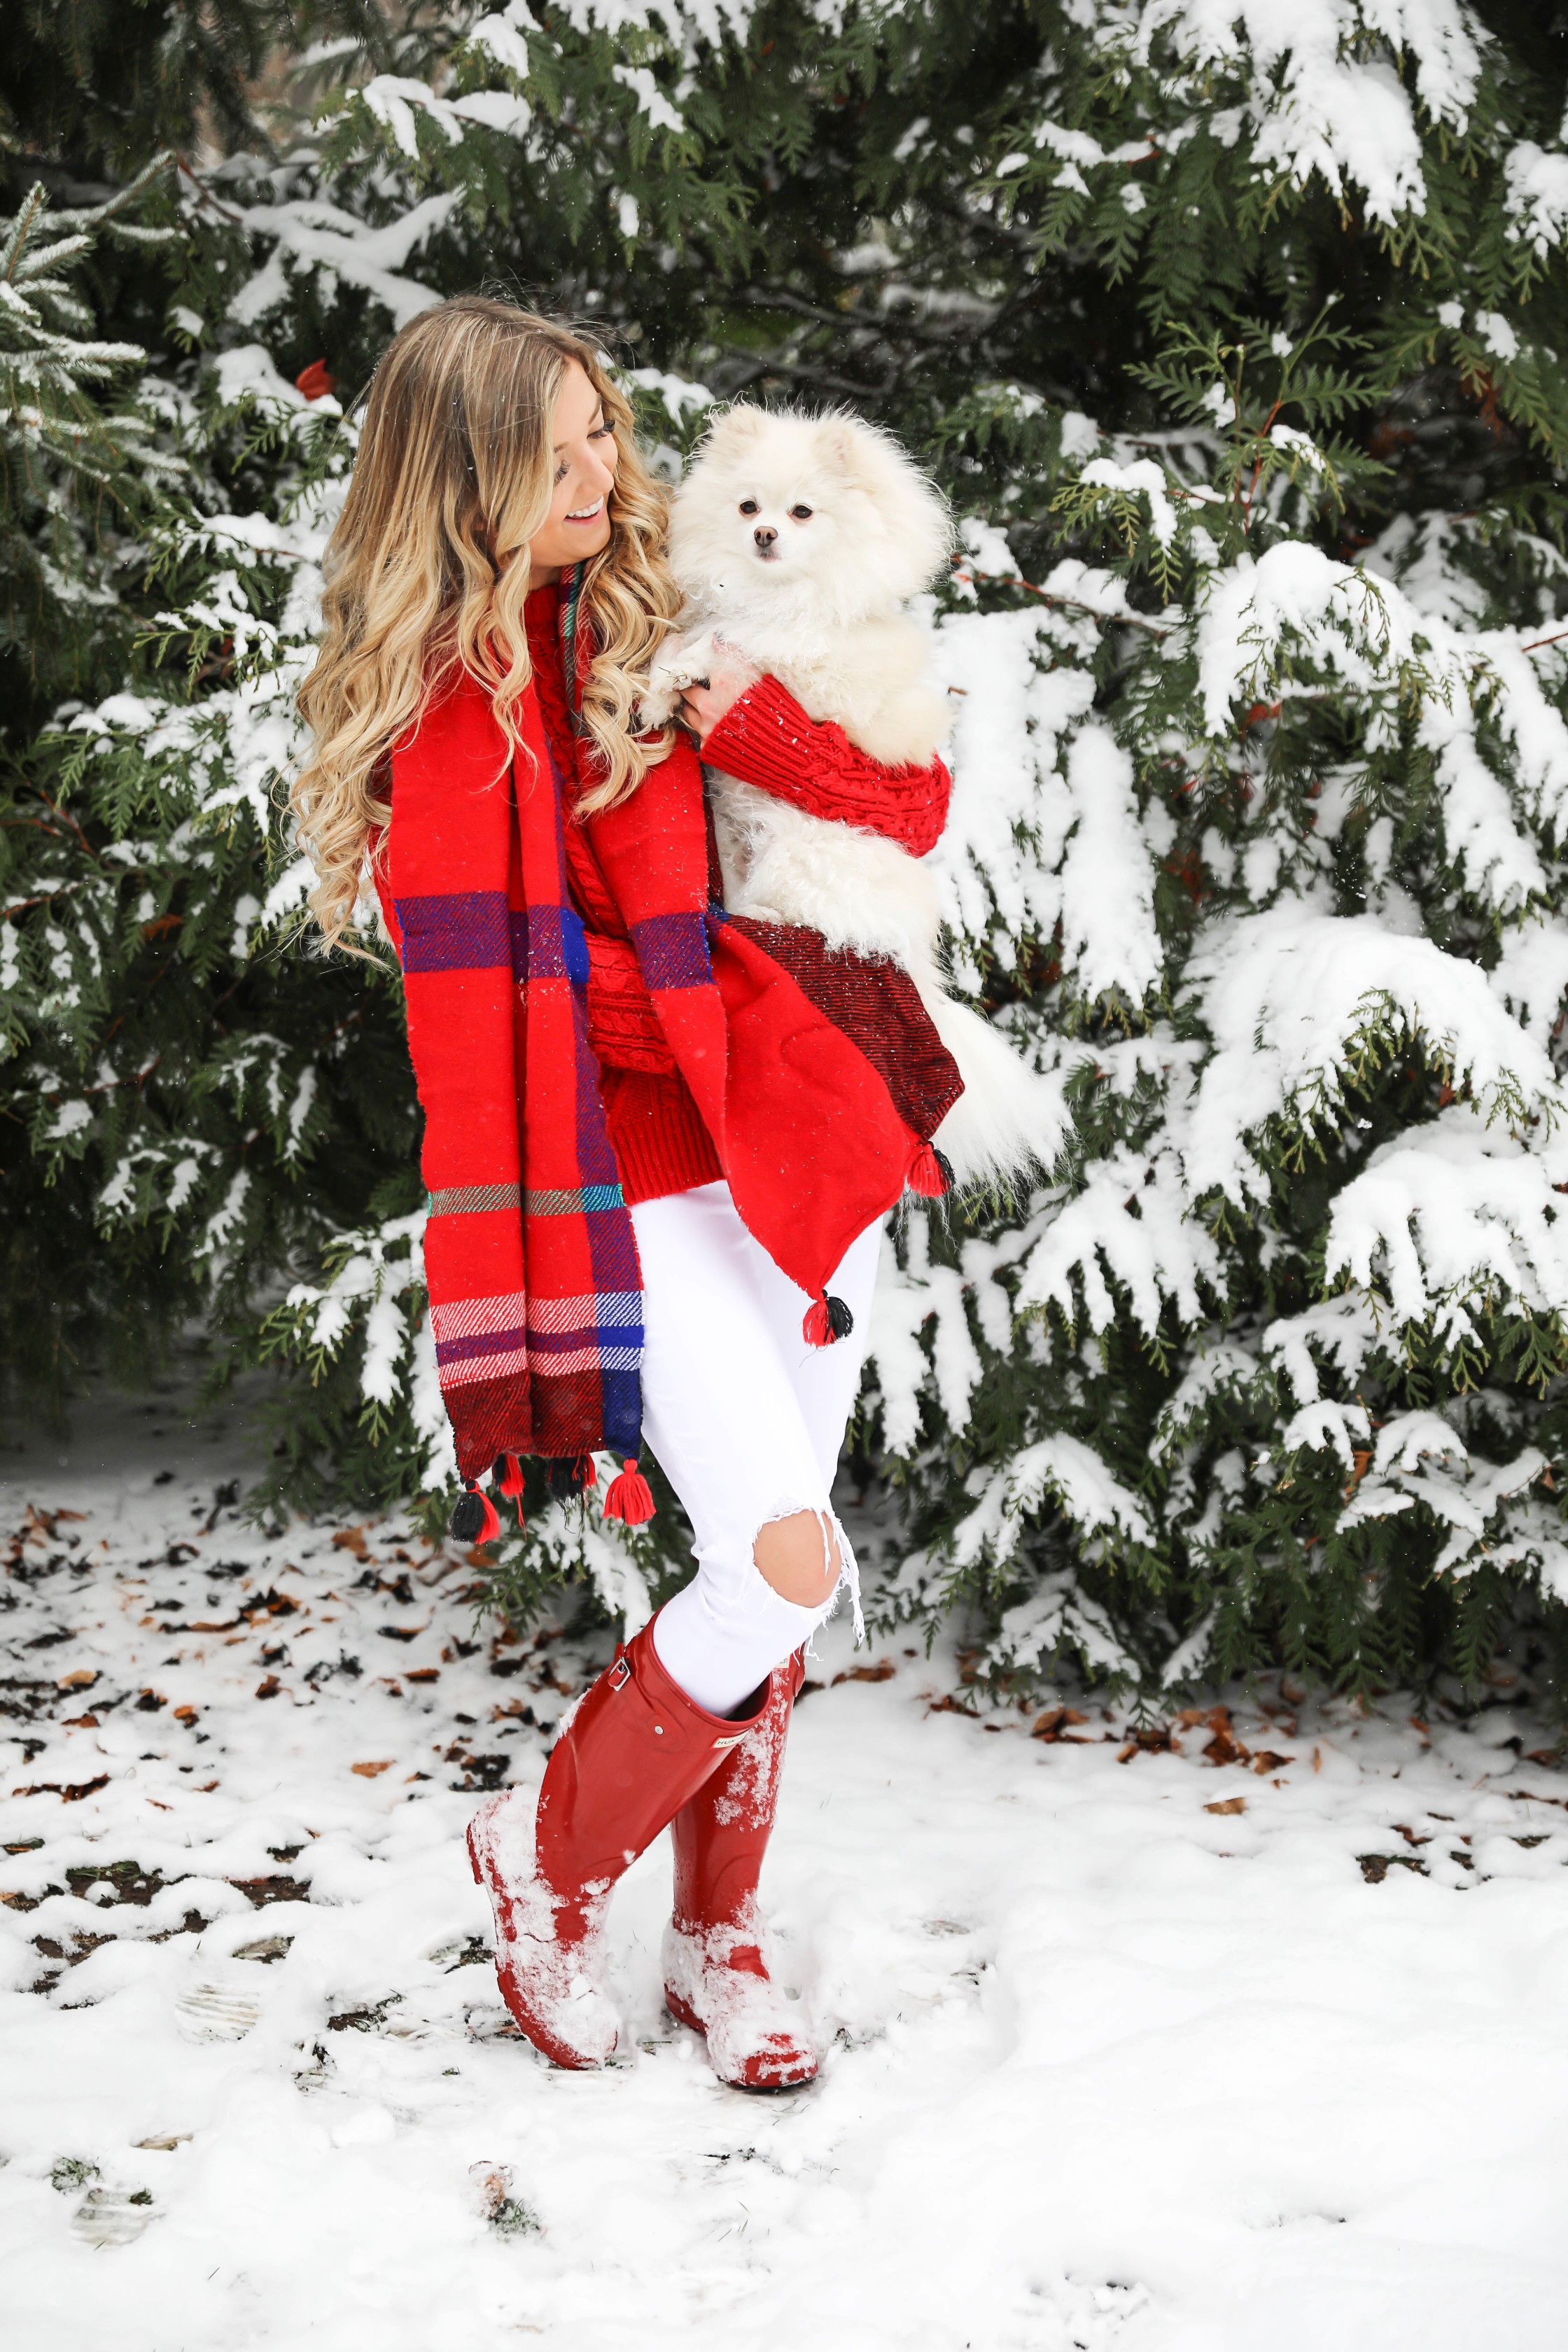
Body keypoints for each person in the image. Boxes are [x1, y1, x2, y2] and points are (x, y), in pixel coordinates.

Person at [293, 295, 959, 2090]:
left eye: (606, 432)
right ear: (473, 470)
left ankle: (721, 1935)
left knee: (788, 1566)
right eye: (562, 448)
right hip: (649, 1171)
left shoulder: (655, 602)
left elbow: (906, 802)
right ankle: (545, 1860)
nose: (605, 471)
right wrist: (737, 1002)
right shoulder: (450, 702)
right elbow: (517, 993)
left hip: (789, 1147)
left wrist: (749, 770)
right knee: (771, 1558)